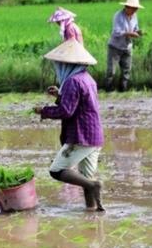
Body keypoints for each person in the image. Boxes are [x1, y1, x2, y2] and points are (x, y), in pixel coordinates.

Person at [33, 39, 105, 212]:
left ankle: (94, 186)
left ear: (66, 65)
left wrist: (44, 110)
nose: (58, 68)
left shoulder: (73, 81)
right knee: (86, 179)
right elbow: (77, 105)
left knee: (56, 170)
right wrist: (59, 96)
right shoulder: (87, 78)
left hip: (80, 136)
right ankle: (92, 213)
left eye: (59, 64)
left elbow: (66, 111)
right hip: (94, 136)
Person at [105, 0, 144, 91]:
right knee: (111, 72)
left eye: (136, 8)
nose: (135, 10)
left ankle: (123, 90)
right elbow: (116, 32)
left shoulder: (134, 16)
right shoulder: (118, 16)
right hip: (115, 47)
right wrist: (130, 33)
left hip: (127, 47)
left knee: (126, 71)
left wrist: (138, 32)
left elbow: (135, 28)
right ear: (127, 7)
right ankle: (108, 90)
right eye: (134, 8)